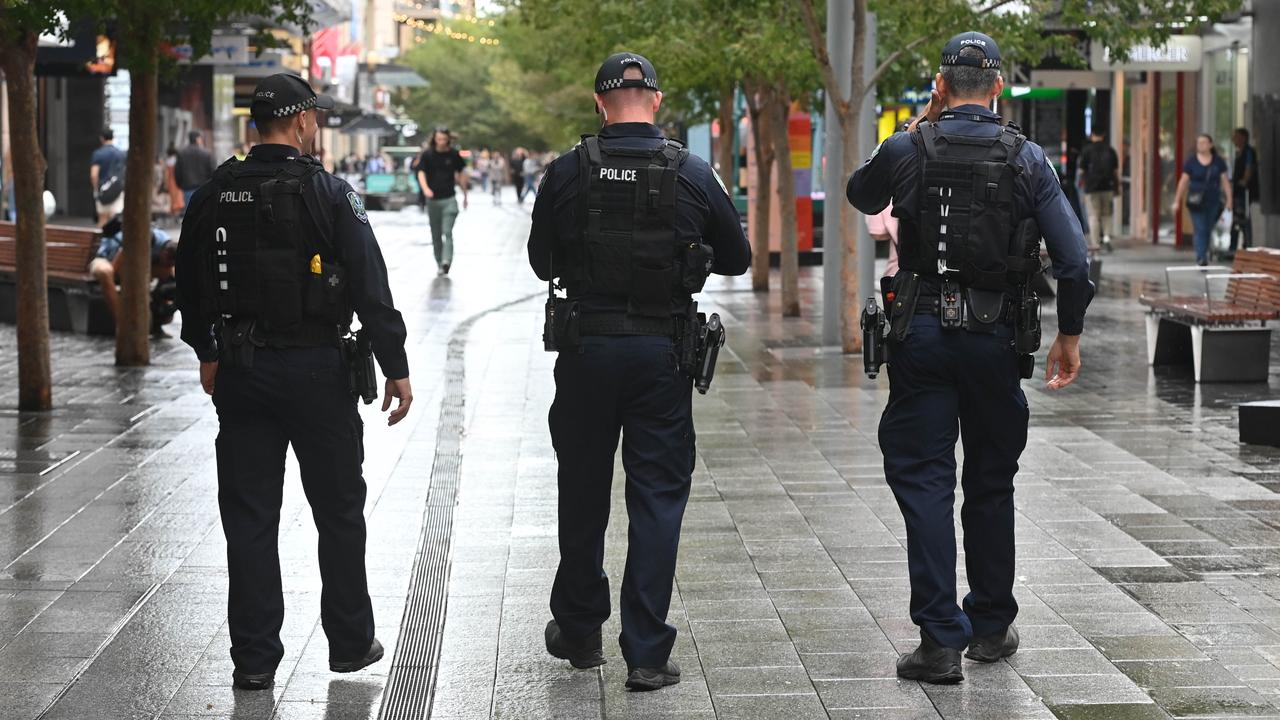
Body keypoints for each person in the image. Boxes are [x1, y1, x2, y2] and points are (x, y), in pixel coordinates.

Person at [846, 32, 1092, 684]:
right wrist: (1069, 333)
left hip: (921, 336)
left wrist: (919, 126)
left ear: (941, 84)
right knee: (990, 480)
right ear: (999, 89)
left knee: (925, 481)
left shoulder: (906, 144)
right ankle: (989, 626)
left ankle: (938, 640)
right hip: (995, 339)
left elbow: (860, 195)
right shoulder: (1027, 157)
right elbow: (1073, 258)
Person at [174, 72, 414, 692]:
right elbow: (369, 283)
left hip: (242, 372)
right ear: (303, 120)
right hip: (317, 371)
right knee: (338, 509)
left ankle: (254, 658)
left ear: (257, 125)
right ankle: (349, 641)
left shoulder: (213, 193)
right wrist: (395, 364)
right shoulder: (330, 193)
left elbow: (190, 280)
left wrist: (207, 348)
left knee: (250, 515)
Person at [528, 52, 751, 692]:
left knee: (582, 489)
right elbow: (735, 259)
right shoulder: (692, 172)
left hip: (587, 351)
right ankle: (646, 651)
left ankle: (577, 628)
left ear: (599, 103)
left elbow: (542, 262)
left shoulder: (567, 173)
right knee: (656, 497)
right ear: (655, 100)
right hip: (660, 355)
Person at [89, 215, 179, 335]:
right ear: (165, 253)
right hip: (105, 258)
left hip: (131, 266)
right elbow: (121, 257)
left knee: (168, 277)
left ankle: (155, 322)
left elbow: (169, 272)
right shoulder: (149, 237)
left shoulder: (168, 247)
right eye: (168, 263)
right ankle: (122, 325)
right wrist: (118, 275)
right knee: (106, 272)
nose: (168, 266)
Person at [413, 127, 469, 275]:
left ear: (448, 139)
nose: (442, 142)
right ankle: (439, 263)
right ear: (435, 139)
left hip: (449, 199)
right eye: (439, 139)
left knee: (447, 231)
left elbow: (462, 173)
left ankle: (446, 261)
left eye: (444, 139)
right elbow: (421, 172)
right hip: (433, 201)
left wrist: (465, 195)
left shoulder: (454, 154)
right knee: (436, 234)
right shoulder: (427, 155)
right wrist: (425, 189)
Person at [1174, 134, 1232, 266]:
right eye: (1198, 143)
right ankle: (1201, 256)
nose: (1200, 145)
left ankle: (1203, 252)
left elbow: (1225, 181)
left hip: (1213, 200)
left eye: (1204, 142)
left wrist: (1229, 200)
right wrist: (1177, 200)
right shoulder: (1191, 162)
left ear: (1210, 145)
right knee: (1200, 227)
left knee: (1208, 227)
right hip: (1196, 201)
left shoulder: (1218, 162)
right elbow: (1183, 181)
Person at [1078, 129, 1119, 252]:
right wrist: (1117, 187)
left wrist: (1082, 185)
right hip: (1108, 187)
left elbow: (1081, 171)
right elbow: (1116, 172)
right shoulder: (1111, 150)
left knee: (1093, 215)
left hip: (1092, 188)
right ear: (1103, 135)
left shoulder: (1086, 151)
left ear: (1092, 135)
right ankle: (1106, 237)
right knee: (1107, 214)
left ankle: (1095, 244)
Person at [1229, 127, 1258, 254]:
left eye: (1236, 136)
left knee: (1243, 219)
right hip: (1237, 191)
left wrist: (1244, 181)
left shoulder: (1248, 152)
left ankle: (1246, 246)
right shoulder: (1238, 153)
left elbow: (1249, 167)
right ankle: (1234, 247)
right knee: (1236, 220)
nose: (1233, 139)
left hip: (1244, 192)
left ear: (1243, 138)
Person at [90, 128, 126, 226]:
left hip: (102, 190)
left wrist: (96, 190)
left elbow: (94, 175)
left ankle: (102, 240)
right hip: (117, 190)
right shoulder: (120, 154)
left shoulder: (98, 154)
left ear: (101, 138)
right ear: (113, 138)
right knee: (114, 220)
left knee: (102, 219)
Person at [176, 130, 217, 208]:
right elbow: (213, 171)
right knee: (203, 212)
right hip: (204, 188)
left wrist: (180, 185)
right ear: (198, 139)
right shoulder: (207, 153)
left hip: (187, 188)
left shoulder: (181, 153)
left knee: (189, 213)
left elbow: (178, 172)